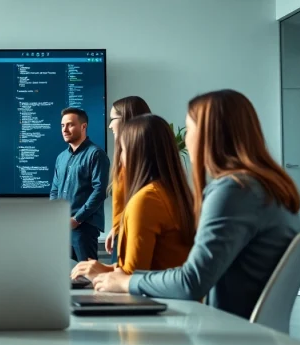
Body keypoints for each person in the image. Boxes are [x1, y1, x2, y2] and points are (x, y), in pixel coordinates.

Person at [92, 90, 300, 320]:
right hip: (245, 331)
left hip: (225, 332)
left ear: (209, 135)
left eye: (189, 128)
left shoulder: (234, 191)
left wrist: (127, 281)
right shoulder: (265, 187)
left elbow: (191, 282)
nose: (184, 139)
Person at [71, 114, 194, 280]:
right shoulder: (174, 193)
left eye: (122, 150)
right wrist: (104, 269)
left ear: (136, 153)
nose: (120, 159)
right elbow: (147, 268)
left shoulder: (146, 200)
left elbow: (131, 278)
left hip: (154, 303)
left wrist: (99, 275)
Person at [50, 107, 109, 262]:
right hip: (62, 228)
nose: (65, 129)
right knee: (65, 277)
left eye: (70, 125)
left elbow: (100, 191)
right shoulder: (61, 157)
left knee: (87, 277)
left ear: (83, 126)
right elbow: (55, 190)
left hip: (84, 228)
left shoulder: (96, 154)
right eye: (62, 125)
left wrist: (77, 219)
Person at [104, 96, 152, 263]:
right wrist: (115, 229)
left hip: (131, 235)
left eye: (113, 119)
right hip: (121, 233)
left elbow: (141, 204)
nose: (110, 126)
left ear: (127, 119)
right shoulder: (124, 159)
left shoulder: (139, 161)